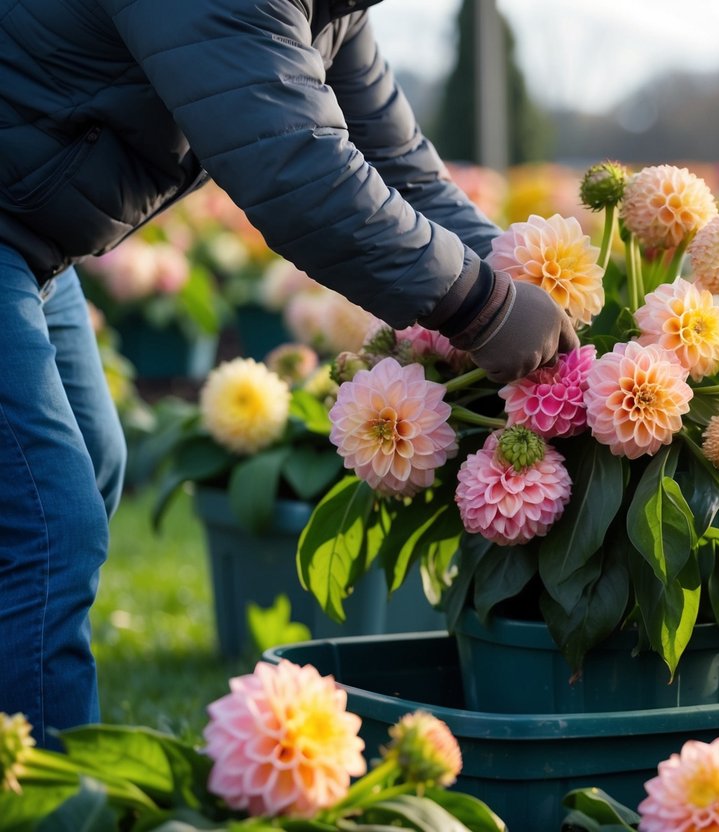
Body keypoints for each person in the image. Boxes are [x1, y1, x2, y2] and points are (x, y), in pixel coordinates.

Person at [0, 0, 577, 747]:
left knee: (83, 466)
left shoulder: (329, 12)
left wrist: (541, 298)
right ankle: (38, 797)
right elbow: (298, 171)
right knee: (48, 522)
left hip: (29, 234)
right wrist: (483, 307)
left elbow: (405, 172)